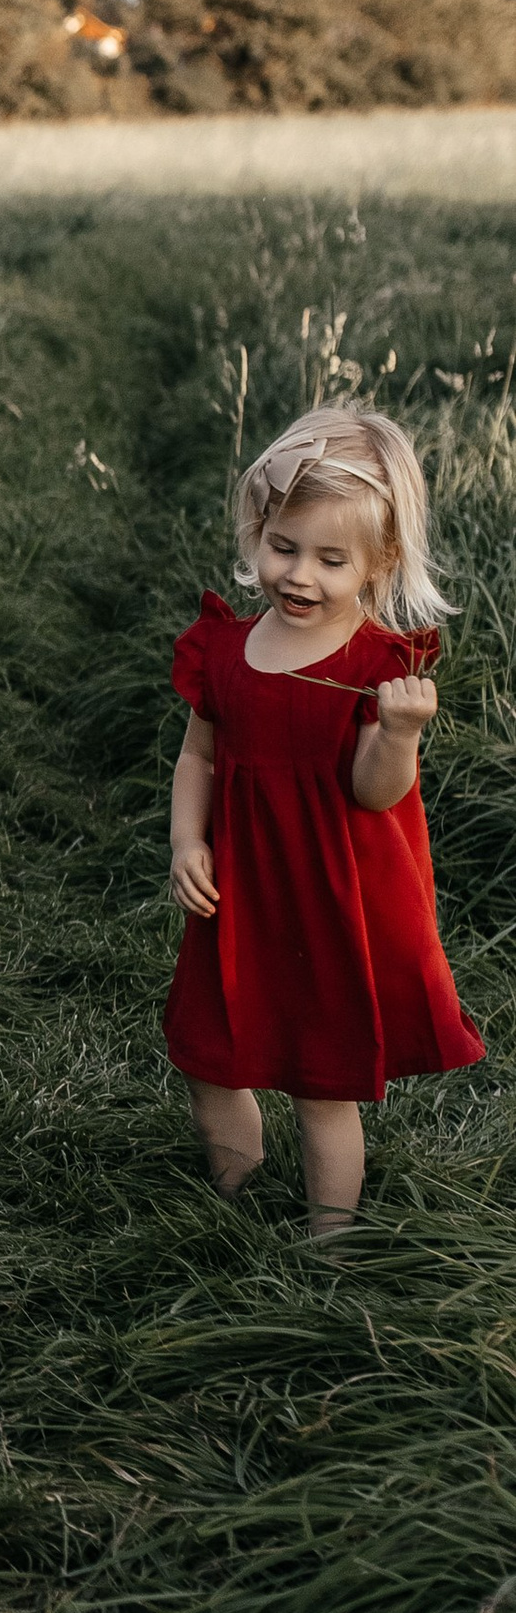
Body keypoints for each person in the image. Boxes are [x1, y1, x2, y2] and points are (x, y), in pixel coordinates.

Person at [166, 404, 482, 1231]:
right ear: (256, 531)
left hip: (330, 902)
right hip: (240, 898)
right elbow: (197, 755)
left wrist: (402, 734)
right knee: (209, 1055)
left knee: (322, 1086)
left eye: (330, 559)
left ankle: (328, 1249)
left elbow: (373, 792)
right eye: (284, 548)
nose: (300, 575)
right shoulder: (227, 651)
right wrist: (187, 838)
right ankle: (231, 1202)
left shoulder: (375, 670)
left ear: (378, 565)